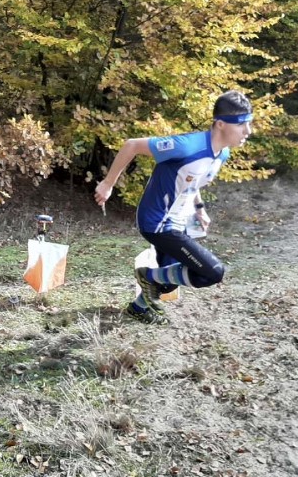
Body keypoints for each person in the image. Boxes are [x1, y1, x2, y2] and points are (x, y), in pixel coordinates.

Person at [93, 90, 254, 324]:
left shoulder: (222, 154)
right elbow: (132, 145)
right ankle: (146, 276)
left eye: (249, 124)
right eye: (241, 125)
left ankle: (138, 308)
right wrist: (108, 184)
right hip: (157, 222)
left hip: (179, 221)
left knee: (172, 277)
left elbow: (192, 179)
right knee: (212, 272)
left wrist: (199, 207)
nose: (248, 132)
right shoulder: (186, 146)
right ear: (220, 124)